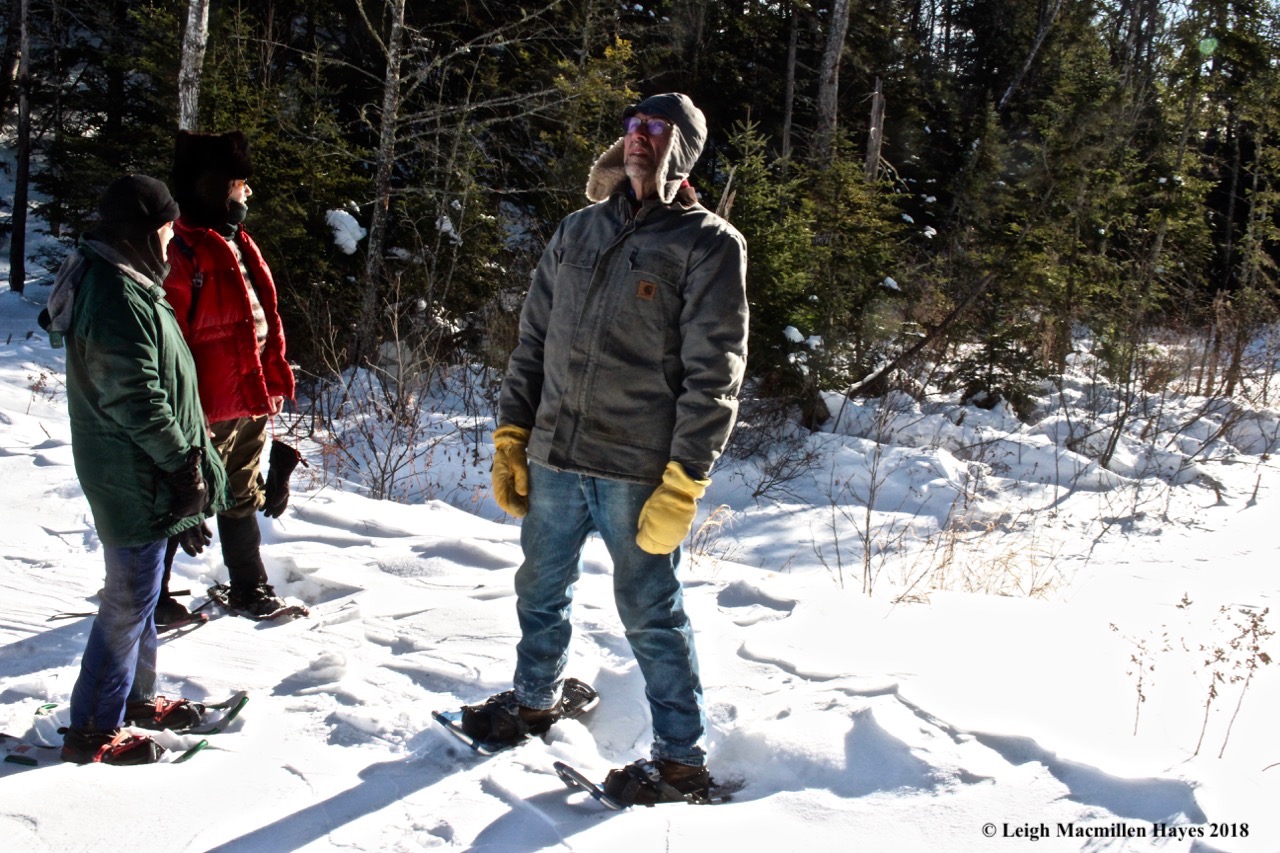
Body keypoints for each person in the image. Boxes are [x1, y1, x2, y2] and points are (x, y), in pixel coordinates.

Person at [470, 93, 749, 805]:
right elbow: (533, 341)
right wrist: (511, 435)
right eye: (631, 128)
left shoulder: (709, 244)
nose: (638, 141)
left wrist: (685, 479)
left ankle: (682, 759)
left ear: (682, 147)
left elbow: (713, 375)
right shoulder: (578, 231)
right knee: (539, 586)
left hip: (637, 471)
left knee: (652, 612)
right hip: (556, 456)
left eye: (655, 131)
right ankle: (535, 699)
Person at [53, 174, 231, 763]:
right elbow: (135, 396)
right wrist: (184, 468)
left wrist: (186, 470)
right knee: (128, 599)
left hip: (145, 470)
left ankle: (134, 697)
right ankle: (93, 730)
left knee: (144, 594)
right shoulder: (112, 292)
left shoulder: (129, 280)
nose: (168, 237)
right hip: (131, 473)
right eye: (162, 227)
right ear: (139, 231)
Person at [157, 130, 297, 621]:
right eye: (240, 183)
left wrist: (271, 384)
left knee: (242, 493)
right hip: (204, 405)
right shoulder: (182, 248)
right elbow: (167, 342)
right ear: (213, 187)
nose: (248, 193)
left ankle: (249, 587)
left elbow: (264, 318)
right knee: (183, 499)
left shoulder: (237, 239)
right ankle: (152, 597)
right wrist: (180, 410)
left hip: (248, 395)